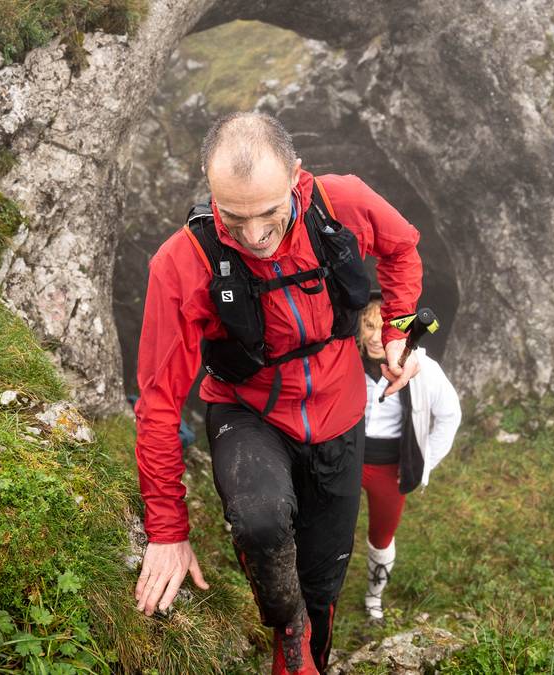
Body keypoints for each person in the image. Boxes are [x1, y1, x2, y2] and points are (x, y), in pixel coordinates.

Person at [132, 111, 424, 674]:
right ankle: (286, 627)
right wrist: (168, 530)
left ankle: (310, 650)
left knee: (324, 572)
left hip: (340, 413)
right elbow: (159, 403)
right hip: (248, 412)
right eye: (233, 217)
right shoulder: (182, 263)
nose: (255, 237)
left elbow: (403, 248)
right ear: (209, 187)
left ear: (296, 174)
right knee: (260, 521)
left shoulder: (342, 203)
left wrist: (396, 333)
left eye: (269, 212)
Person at [356, 295, 461, 623]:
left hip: (391, 468)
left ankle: (374, 597)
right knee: (328, 529)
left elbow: (450, 415)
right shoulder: (343, 360)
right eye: (369, 325)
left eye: (384, 327)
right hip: (345, 460)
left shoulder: (424, 368)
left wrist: (424, 461)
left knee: (382, 536)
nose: (376, 336)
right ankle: (318, 588)